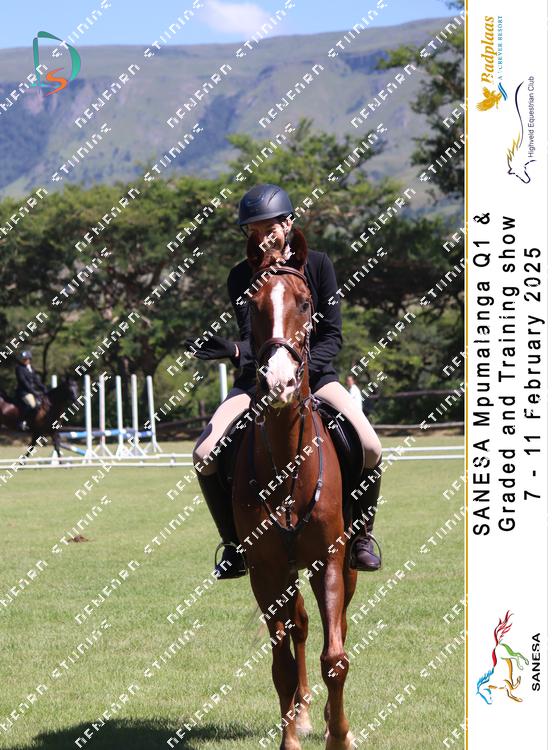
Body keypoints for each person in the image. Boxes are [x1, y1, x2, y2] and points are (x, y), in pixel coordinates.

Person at [187, 183, 383, 579]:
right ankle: (234, 545)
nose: (263, 237)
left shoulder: (319, 265)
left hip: (316, 378)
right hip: (256, 381)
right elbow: (252, 339)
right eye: (254, 231)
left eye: (270, 228)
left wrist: (300, 372)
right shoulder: (240, 276)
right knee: (204, 453)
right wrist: (234, 350)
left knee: (370, 446)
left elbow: (332, 337)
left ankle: (361, 537)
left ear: (288, 224)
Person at [15, 350, 47, 430]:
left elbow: (36, 380)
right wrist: (33, 391)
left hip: (32, 391)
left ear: (29, 359)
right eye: (24, 359)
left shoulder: (31, 368)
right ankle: (22, 421)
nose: (25, 360)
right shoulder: (19, 368)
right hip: (23, 392)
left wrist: (44, 388)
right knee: (33, 405)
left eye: (27, 359)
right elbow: (23, 382)